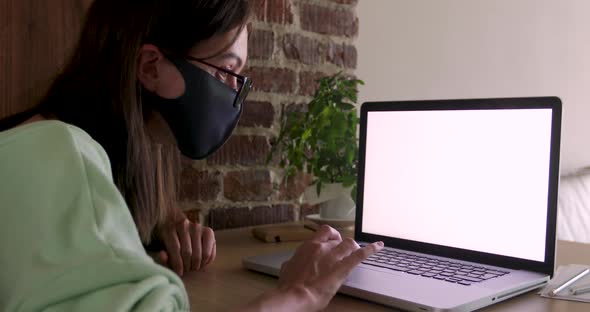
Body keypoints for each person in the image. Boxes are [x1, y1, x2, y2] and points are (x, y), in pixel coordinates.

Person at [0, 0, 383, 311]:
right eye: (225, 71)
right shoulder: (53, 152)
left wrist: (151, 230)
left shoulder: (62, 149)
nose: (234, 93)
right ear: (151, 67)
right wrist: (300, 294)